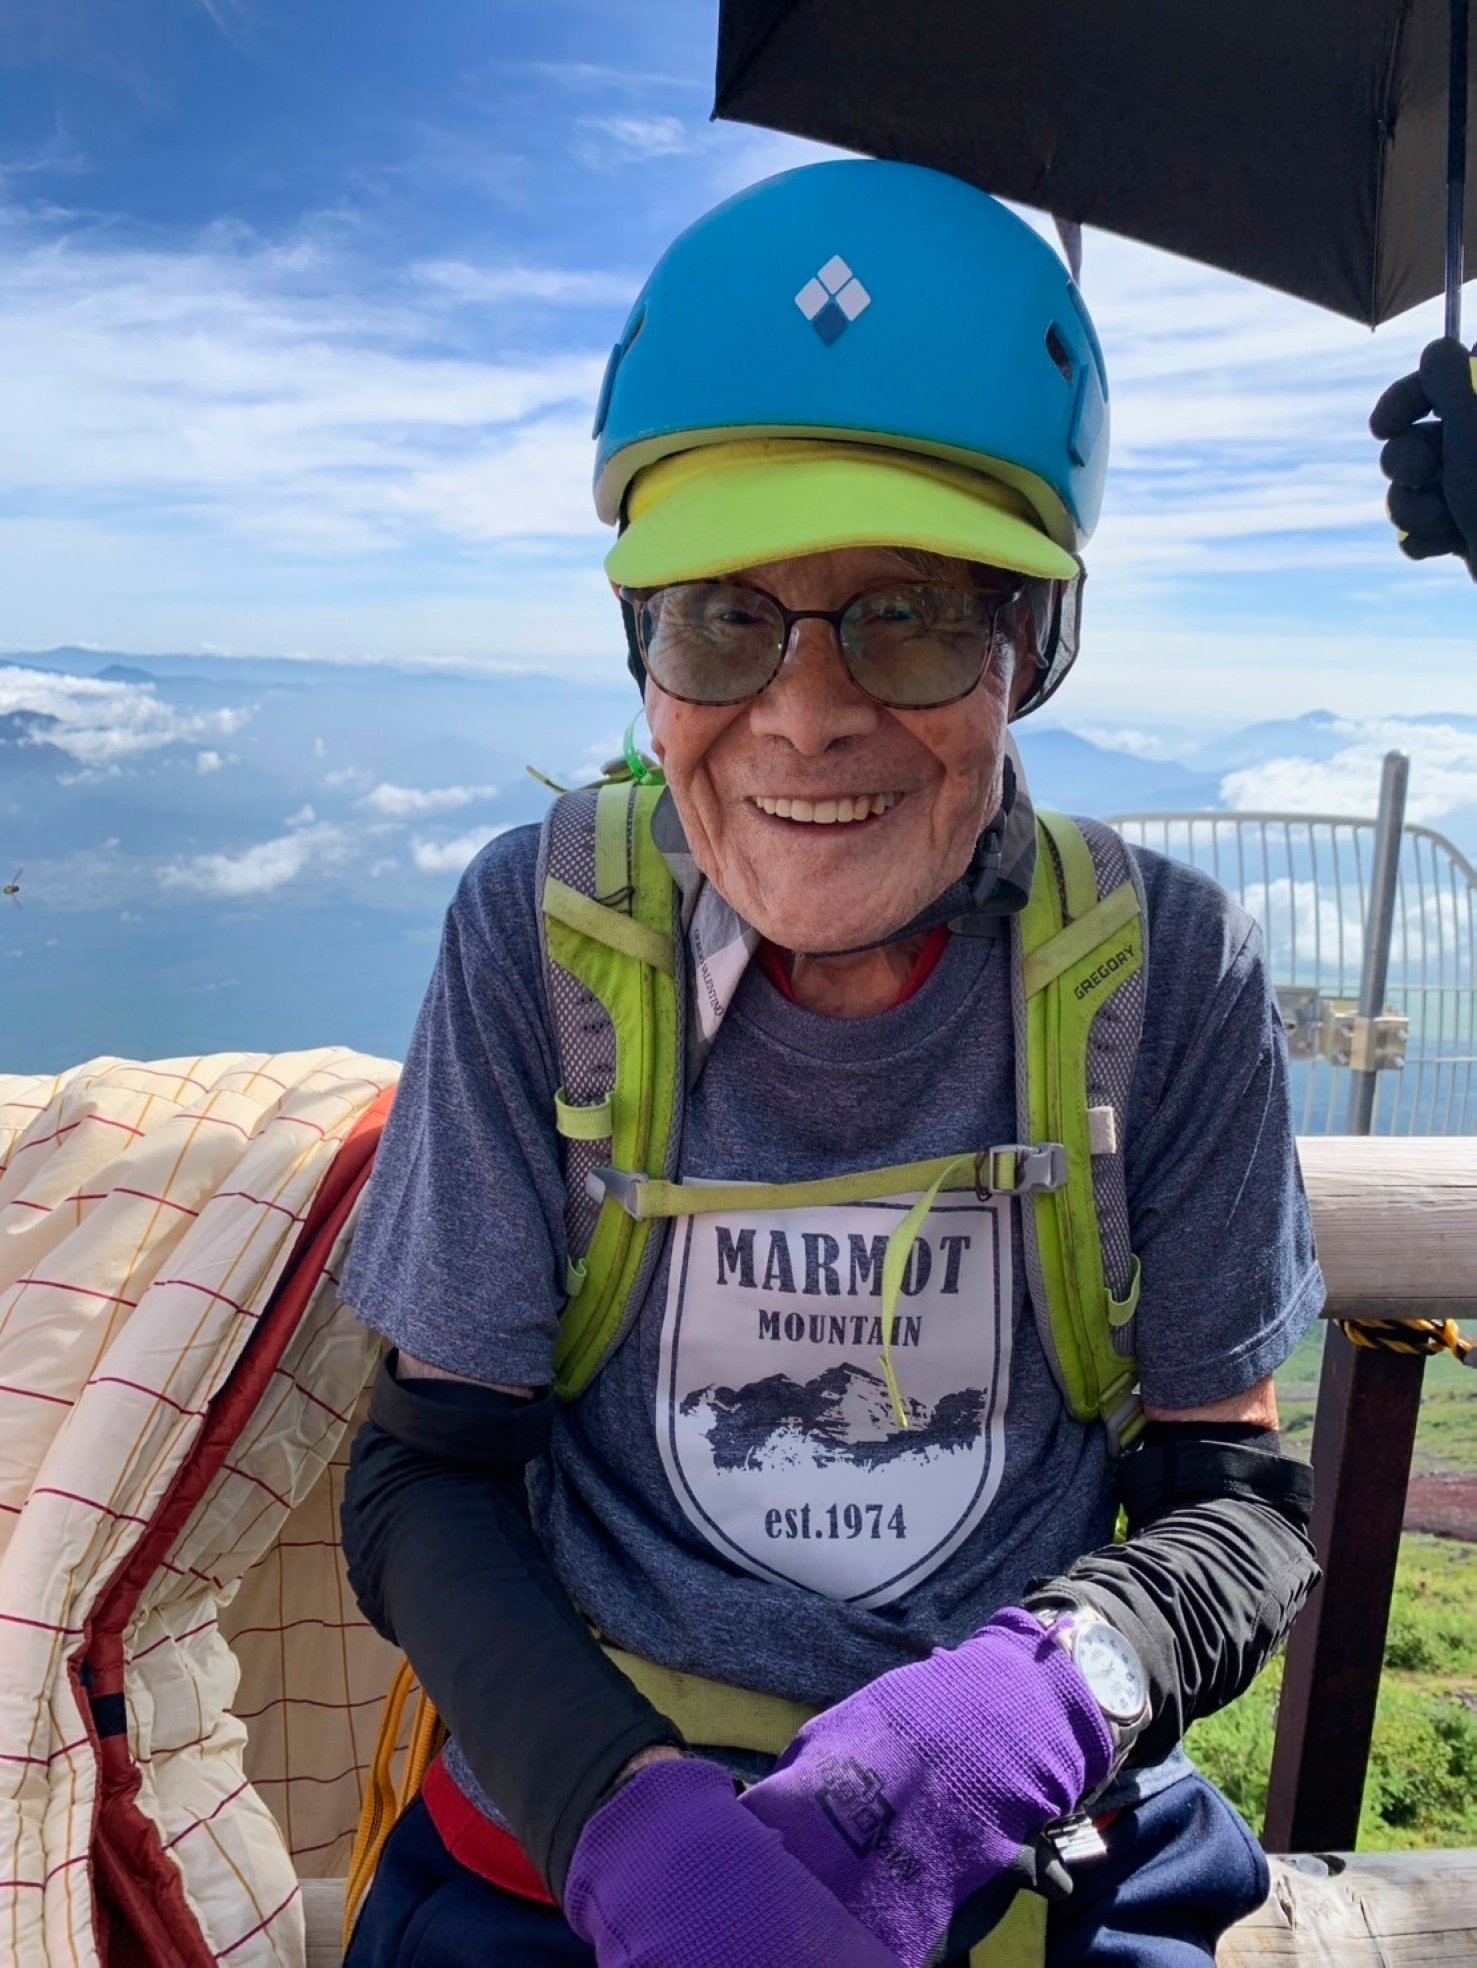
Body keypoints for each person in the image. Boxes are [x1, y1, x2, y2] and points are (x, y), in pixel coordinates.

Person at [337, 159, 1323, 1968]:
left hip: (1027, 1850)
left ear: (1029, 643)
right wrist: (621, 1816)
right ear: (641, 641)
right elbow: (426, 1475)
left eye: (914, 608)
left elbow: (1232, 1505)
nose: (803, 708)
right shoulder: (544, 939)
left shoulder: (1160, 972)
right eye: (724, 613)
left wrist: (1021, 1715)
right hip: (566, 1848)